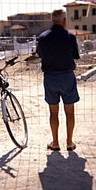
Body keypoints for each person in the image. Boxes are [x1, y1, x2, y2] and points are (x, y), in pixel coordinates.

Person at [37, 9, 80, 151]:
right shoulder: (70, 37)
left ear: (52, 20)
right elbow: (75, 55)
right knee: (70, 112)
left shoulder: (42, 37)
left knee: (53, 112)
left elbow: (40, 54)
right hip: (67, 77)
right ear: (64, 20)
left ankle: (55, 143)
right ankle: (69, 142)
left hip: (50, 78)